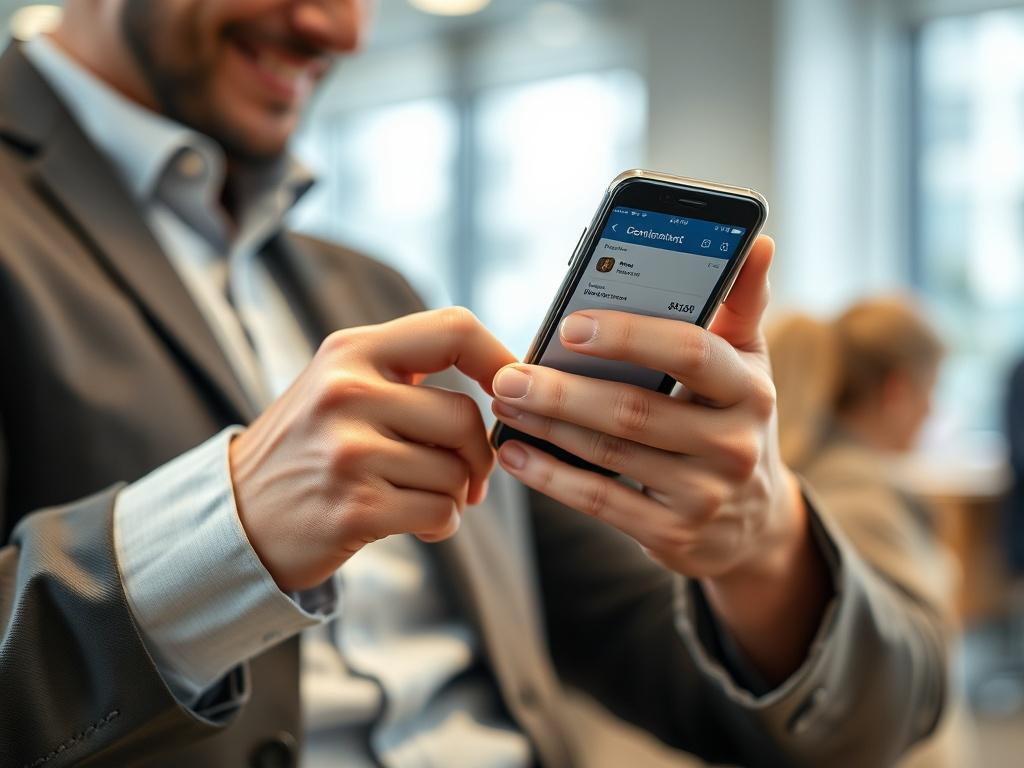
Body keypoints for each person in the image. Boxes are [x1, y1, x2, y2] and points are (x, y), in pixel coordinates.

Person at [0, 2, 946, 766]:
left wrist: (761, 548)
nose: (340, 28)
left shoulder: (375, 291)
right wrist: (220, 533)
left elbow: (866, 731)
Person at [768, 299, 972, 768]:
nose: (932, 410)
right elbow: (893, 676)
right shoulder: (863, 503)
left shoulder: (820, 478)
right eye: (932, 389)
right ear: (898, 390)